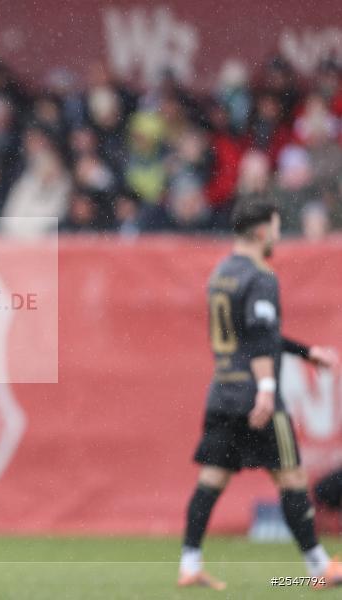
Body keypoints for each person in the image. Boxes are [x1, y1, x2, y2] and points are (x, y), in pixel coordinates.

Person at [178, 201, 342, 589]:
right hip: (255, 393)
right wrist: (267, 390)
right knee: (292, 478)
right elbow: (257, 338)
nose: (278, 235)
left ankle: (189, 563)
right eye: (276, 227)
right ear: (260, 232)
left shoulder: (221, 273)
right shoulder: (261, 277)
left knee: (212, 478)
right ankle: (319, 568)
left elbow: (251, 333)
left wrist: (305, 353)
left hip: (223, 390)